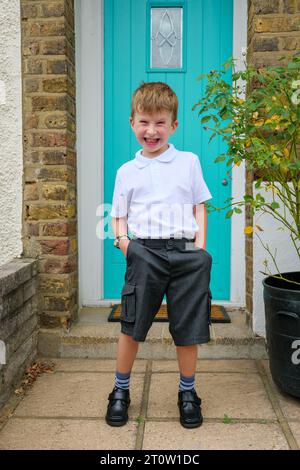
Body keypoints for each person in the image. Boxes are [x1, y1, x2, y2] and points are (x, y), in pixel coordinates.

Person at [106, 82, 213, 428]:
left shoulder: (188, 162)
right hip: (145, 252)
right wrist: (126, 244)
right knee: (132, 325)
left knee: (188, 327)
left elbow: (199, 207)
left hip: (186, 254)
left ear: (174, 126)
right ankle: (120, 391)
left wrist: (199, 249)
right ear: (132, 122)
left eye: (160, 123)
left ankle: (187, 393)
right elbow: (117, 214)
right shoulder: (126, 171)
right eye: (144, 122)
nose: (152, 131)